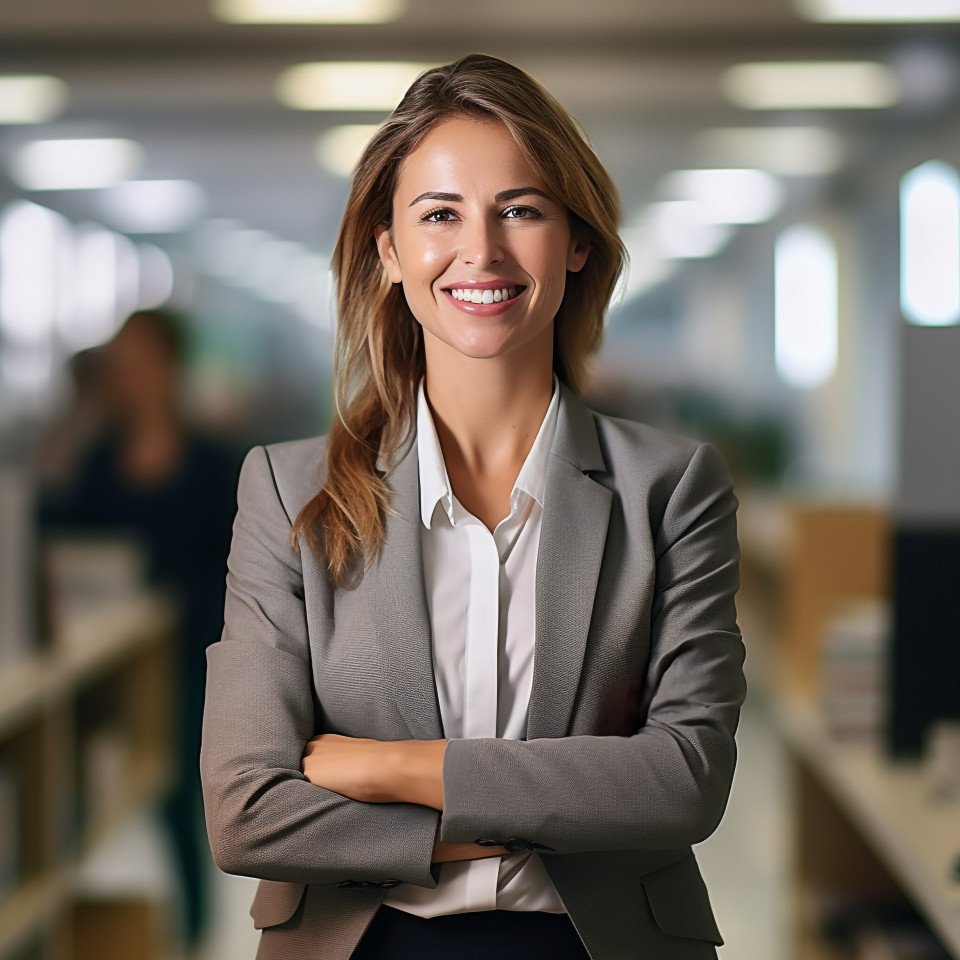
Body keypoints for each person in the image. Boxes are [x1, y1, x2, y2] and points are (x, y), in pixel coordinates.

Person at [200, 53, 746, 960]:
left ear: (577, 241)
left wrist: (390, 768)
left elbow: (683, 780)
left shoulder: (673, 487)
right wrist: (520, 815)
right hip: (362, 945)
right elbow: (247, 812)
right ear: (389, 250)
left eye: (520, 210)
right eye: (440, 215)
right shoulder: (288, 492)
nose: (481, 252)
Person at [39, 309, 241, 950]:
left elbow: (241, 572)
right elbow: (49, 532)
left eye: (141, 364)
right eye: (119, 367)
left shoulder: (215, 464)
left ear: (172, 368)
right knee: (71, 797)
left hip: (186, 659)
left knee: (180, 800)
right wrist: (80, 421)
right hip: (104, 658)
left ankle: (194, 932)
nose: (129, 378)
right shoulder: (98, 459)